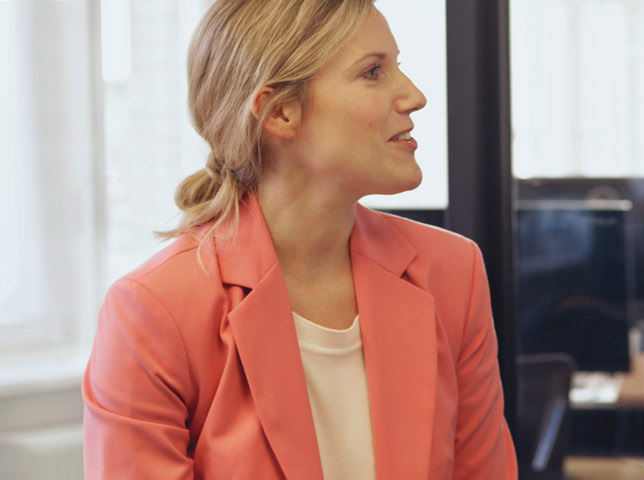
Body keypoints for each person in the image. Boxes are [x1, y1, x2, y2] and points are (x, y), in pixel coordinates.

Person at [82, 0, 518, 478]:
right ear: (281, 112)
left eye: (398, 67)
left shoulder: (452, 272)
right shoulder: (153, 311)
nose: (415, 96)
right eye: (373, 72)